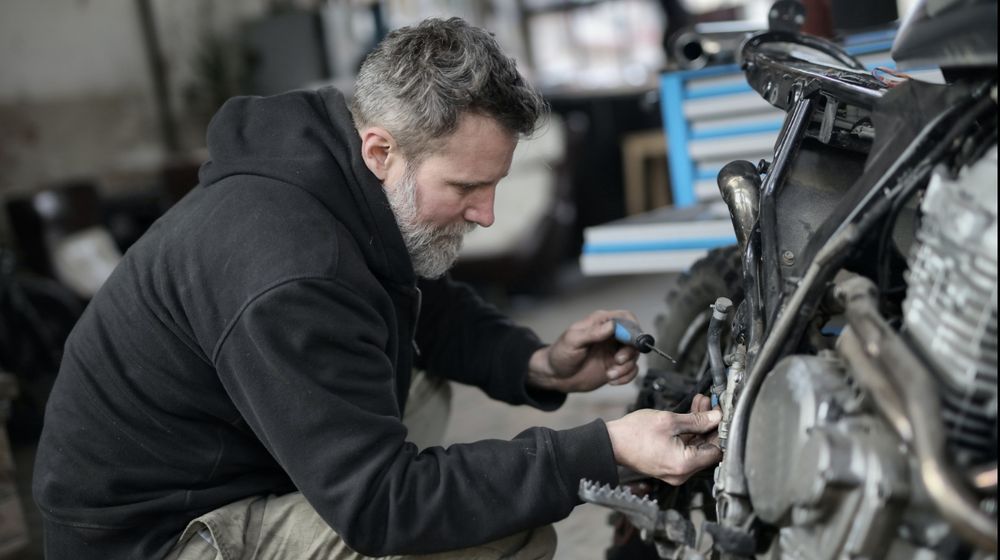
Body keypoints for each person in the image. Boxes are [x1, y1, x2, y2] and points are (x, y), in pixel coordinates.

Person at [33, 17, 722, 559]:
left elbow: (425, 306)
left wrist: (537, 363)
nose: (485, 214)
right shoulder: (291, 270)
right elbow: (383, 504)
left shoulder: (337, 179)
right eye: (467, 187)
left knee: (425, 381)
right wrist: (605, 449)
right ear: (380, 151)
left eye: (495, 185)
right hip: (159, 536)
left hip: (223, 459)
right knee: (506, 535)